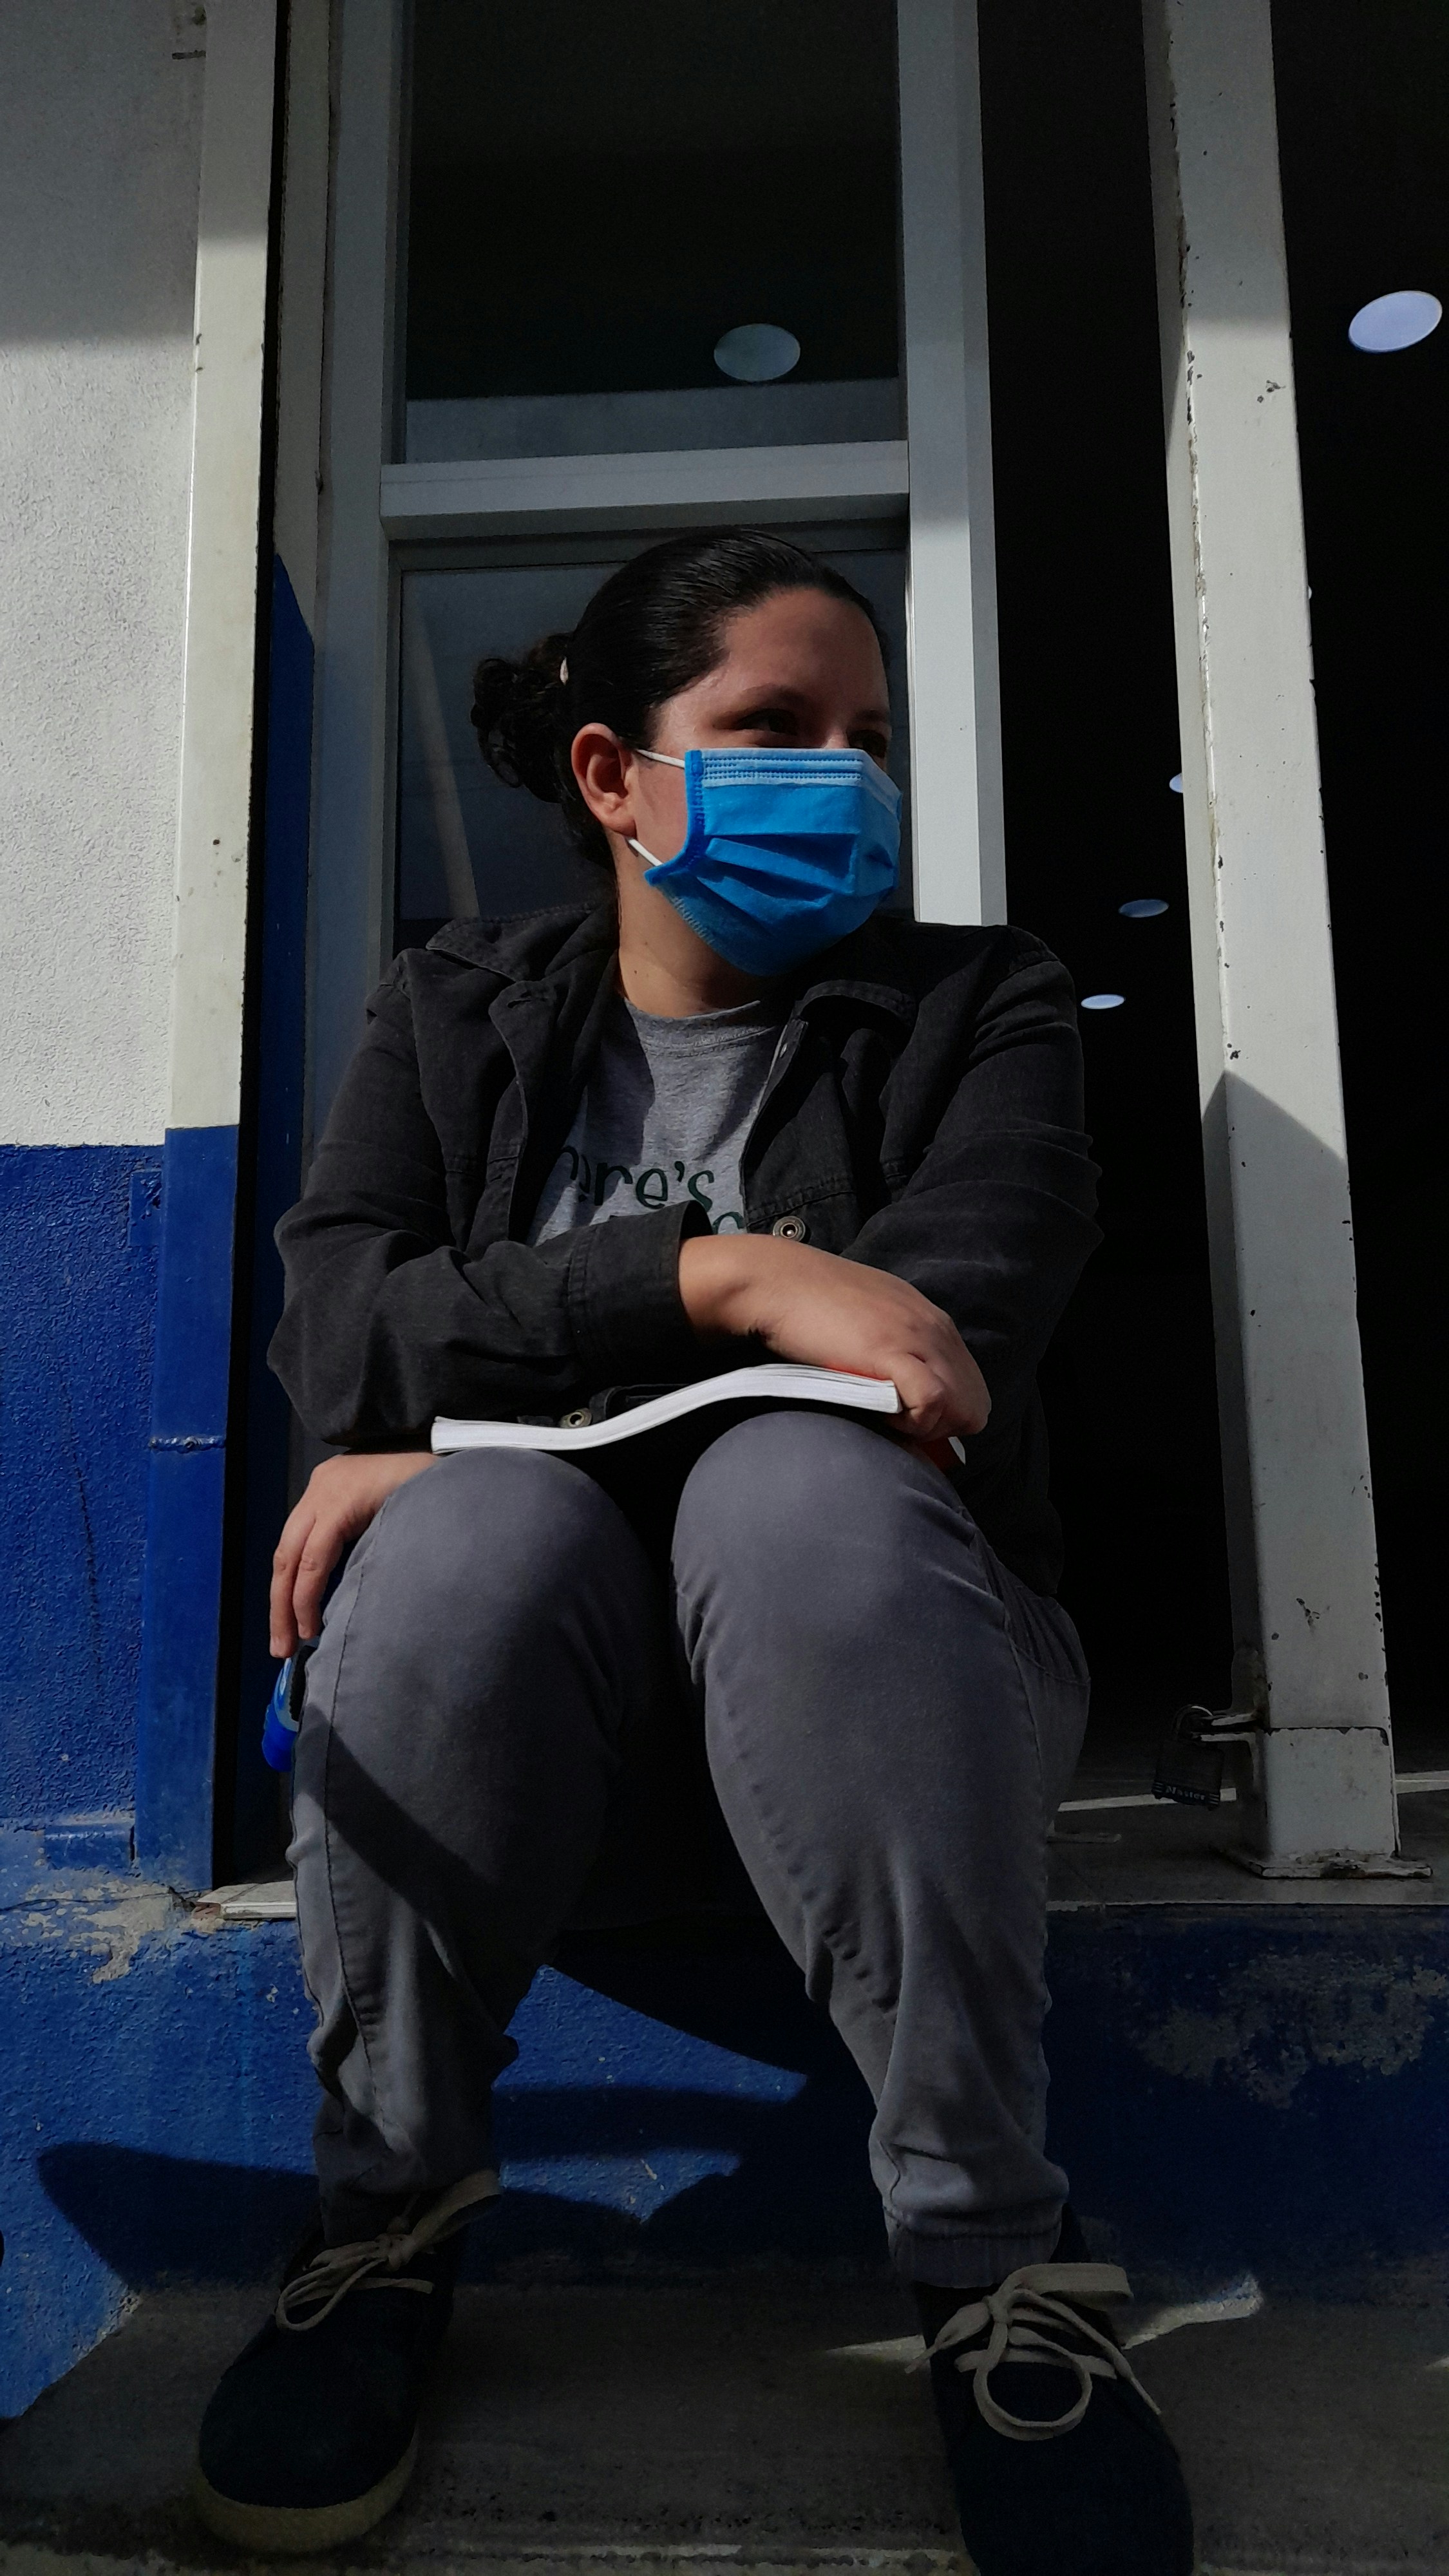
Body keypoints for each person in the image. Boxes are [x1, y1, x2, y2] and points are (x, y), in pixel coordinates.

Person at [192, 531, 1193, 2572]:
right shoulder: (451, 1005)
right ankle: (382, 2221)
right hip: (548, 1754)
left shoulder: (978, 1007)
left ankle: (992, 2260)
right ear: (609, 775)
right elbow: (335, 1329)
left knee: (787, 1488)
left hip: (888, 1705)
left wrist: (475, 1413)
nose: (841, 772)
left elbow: (935, 1356)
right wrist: (726, 1280)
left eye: (867, 737)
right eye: (770, 729)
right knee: (478, 1541)